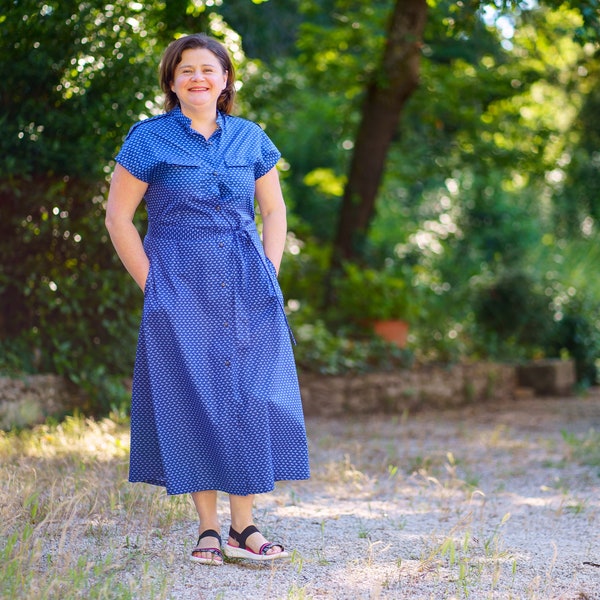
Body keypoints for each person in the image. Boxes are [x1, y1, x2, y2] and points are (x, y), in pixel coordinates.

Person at [105, 33, 310, 566]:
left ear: (225, 80)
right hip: (180, 285)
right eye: (186, 70)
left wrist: (270, 269)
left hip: (246, 285)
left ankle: (246, 526)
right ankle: (209, 528)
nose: (198, 77)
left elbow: (275, 211)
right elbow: (118, 218)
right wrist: (154, 286)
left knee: (247, 397)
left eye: (208, 69)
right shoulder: (148, 139)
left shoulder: (250, 138)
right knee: (193, 398)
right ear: (172, 82)